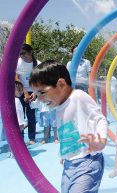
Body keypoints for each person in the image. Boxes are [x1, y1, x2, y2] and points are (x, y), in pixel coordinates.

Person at [29, 60, 107, 193]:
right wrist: (65, 153)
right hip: (69, 164)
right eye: (36, 94)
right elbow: (67, 132)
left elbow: (100, 119)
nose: (39, 99)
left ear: (61, 84)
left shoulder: (78, 97)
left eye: (42, 93)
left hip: (88, 160)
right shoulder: (58, 106)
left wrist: (101, 141)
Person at [16, 44, 40, 145]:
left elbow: (40, 80)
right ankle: (20, 138)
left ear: (30, 52)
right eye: (20, 54)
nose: (21, 56)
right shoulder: (18, 62)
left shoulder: (38, 64)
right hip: (20, 91)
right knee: (20, 116)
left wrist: (35, 92)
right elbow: (16, 78)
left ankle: (32, 137)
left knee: (31, 116)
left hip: (33, 91)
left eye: (23, 53)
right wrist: (25, 92)